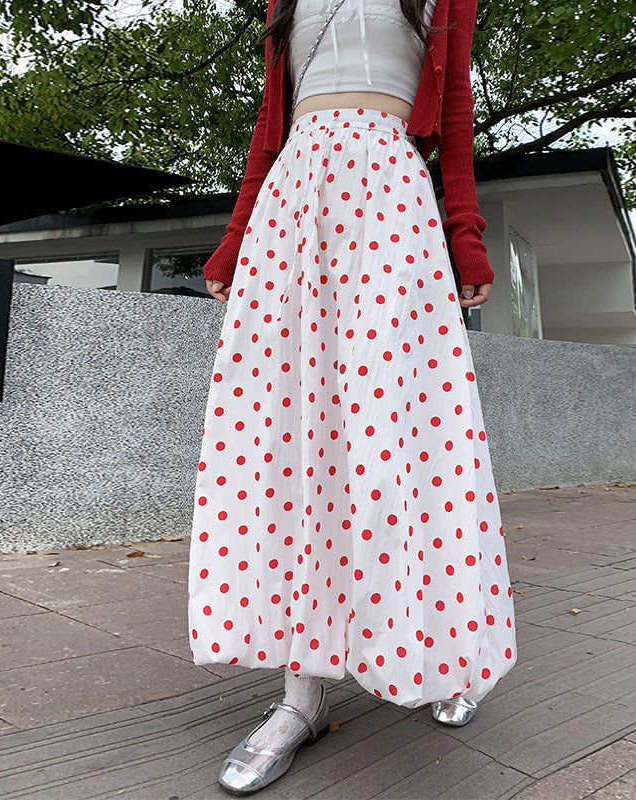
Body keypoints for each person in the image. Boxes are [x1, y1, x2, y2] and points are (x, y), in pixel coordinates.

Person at [187, 0, 517, 792]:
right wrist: (236, 235)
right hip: (294, 202)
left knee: (402, 439)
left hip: (388, 197)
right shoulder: (285, 2)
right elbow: (271, 128)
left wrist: (463, 226)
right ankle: (299, 697)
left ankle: (445, 653)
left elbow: (458, 108)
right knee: (290, 440)